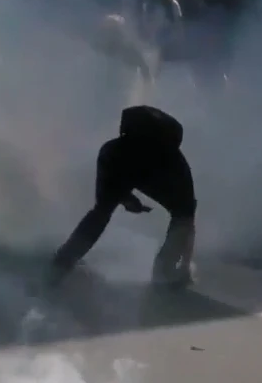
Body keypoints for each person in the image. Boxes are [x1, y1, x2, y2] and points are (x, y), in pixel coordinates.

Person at [45, 104, 196, 289]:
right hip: (123, 165)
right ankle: (63, 262)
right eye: (139, 144)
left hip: (153, 173)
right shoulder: (116, 153)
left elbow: (188, 219)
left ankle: (163, 272)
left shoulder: (175, 166)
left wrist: (185, 266)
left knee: (181, 216)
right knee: (101, 213)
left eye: (149, 147)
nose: (143, 151)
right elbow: (108, 198)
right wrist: (127, 199)